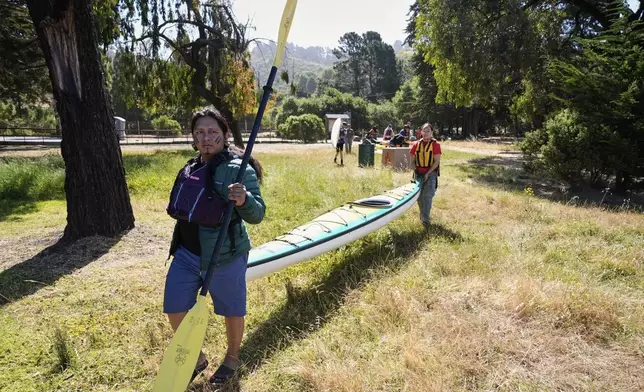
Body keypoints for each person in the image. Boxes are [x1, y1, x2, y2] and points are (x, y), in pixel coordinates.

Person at [164, 108, 266, 386]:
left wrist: (244, 199)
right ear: (193, 138)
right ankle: (197, 359)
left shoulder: (237, 168)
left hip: (225, 254)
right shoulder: (191, 166)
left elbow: (257, 215)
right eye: (200, 132)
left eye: (212, 132)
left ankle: (232, 358)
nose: (206, 137)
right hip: (186, 253)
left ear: (224, 135)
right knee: (174, 305)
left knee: (231, 309)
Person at [409, 123, 441, 229]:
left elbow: (436, 162)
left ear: (432, 132)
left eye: (428, 131)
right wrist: (416, 171)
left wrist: (427, 174)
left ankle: (425, 221)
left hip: (431, 173)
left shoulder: (436, 145)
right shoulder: (416, 144)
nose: (426, 133)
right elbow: (412, 161)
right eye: (424, 130)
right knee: (418, 197)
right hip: (418, 173)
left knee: (427, 196)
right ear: (421, 132)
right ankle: (423, 217)